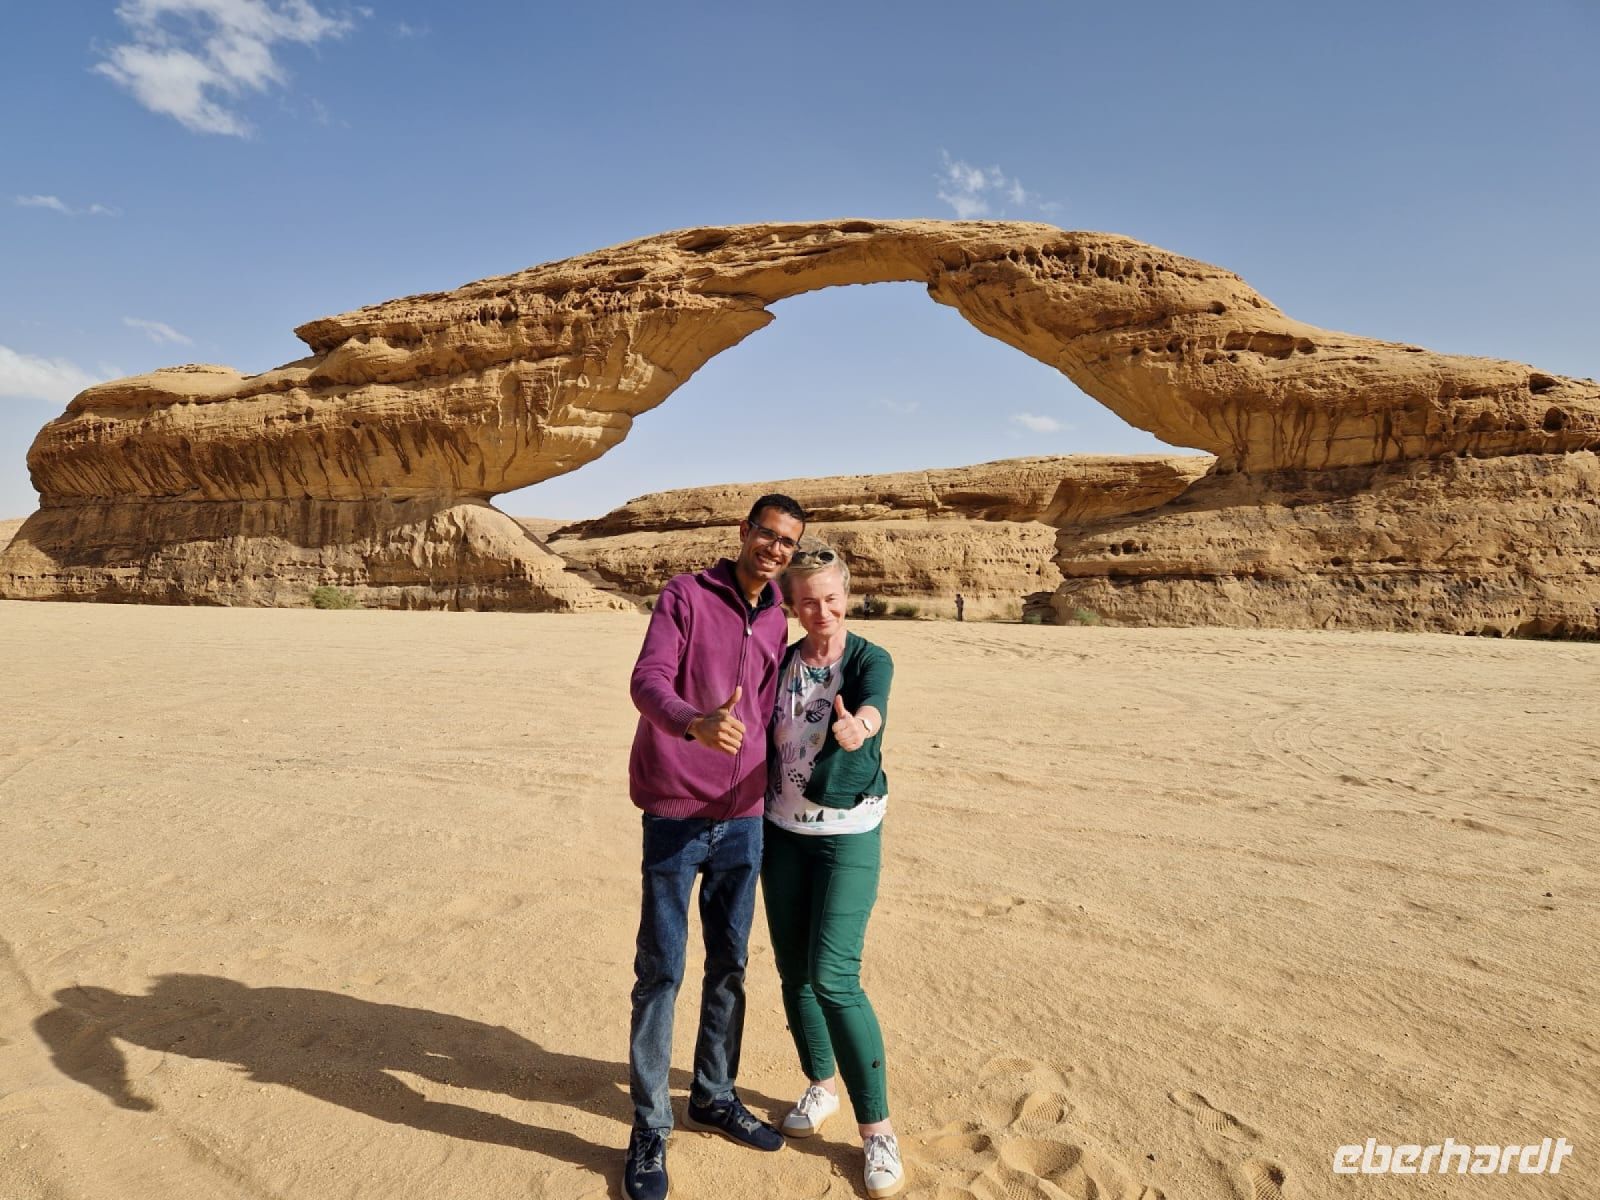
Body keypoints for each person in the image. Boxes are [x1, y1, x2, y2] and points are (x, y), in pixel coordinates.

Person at [623, 494, 808, 1200]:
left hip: (744, 818)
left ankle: (714, 1093)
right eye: (767, 534)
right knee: (662, 971)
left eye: (787, 542)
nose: (774, 548)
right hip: (676, 812)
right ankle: (650, 1126)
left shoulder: (777, 616)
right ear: (744, 532)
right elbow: (647, 680)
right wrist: (691, 722)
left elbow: (769, 709)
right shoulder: (686, 596)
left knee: (730, 963)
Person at [763, 542, 904, 1198]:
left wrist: (859, 729)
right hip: (781, 833)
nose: (821, 611)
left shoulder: (869, 658)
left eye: (831, 598)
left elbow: (873, 704)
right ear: (791, 605)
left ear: (847, 596)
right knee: (793, 972)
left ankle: (877, 1132)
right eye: (807, 601)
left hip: (847, 834)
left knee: (833, 976)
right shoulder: (781, 663)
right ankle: (821, 1086)